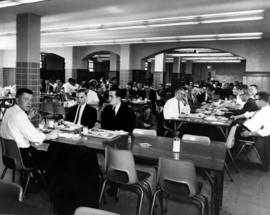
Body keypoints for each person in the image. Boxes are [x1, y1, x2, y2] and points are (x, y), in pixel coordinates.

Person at [0, 88, 59, 169]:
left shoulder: (9, 111)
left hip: (9, 156)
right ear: (17, 100)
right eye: (26, 99)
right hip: (23, 157)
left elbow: (17, 125)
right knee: (54, 156)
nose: (29, 103)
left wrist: (28, 117)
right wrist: (51, 135)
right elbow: (34, 137)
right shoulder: (20, 114)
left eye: (30, 100)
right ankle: (44, 180)